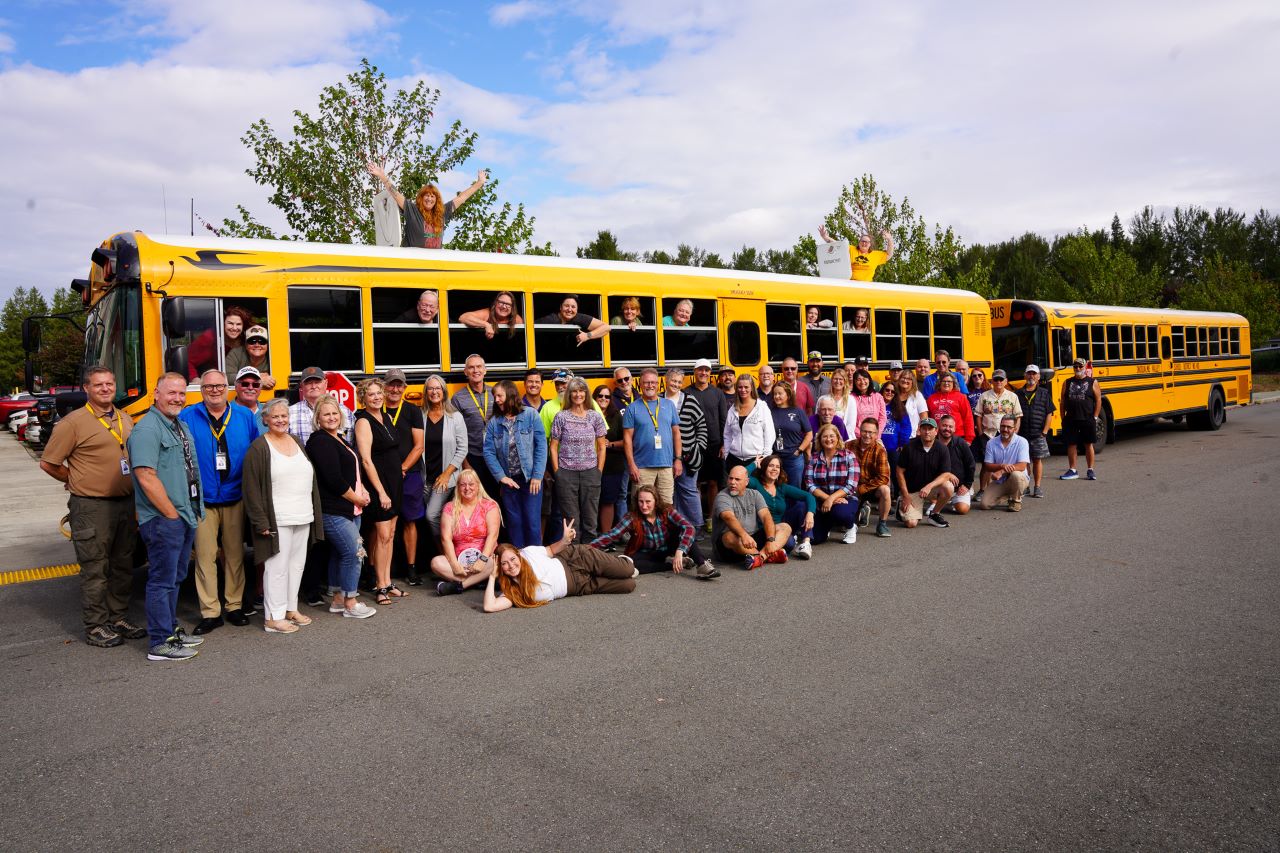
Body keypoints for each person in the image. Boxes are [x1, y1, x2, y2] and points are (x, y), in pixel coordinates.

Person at [39, 365, 143, 648]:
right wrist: (74, 479)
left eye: (109, 384)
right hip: (91, 506)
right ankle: (96, 625)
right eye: (99, 385)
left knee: (123, 564)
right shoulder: (73, 423)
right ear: (86, 388)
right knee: (95, 567)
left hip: (125, 502)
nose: (106, 389)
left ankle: (118, 616)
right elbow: (49, 462)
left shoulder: (124, 418)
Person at [128, 372, 205, 662]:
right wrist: (171, 515)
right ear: (156, 395)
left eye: (182, 393)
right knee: (162, 580)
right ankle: (160, 642)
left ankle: (170, 629)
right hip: (164, 519)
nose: (177, 398)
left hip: (183, 515)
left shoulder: (178, 425)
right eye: (171, 393)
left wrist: (190, 513)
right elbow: (145, 475)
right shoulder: (148, 429)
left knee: (174, 577)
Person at [179, 369, 259, 635]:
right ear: (201, 390)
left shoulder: (245, 416)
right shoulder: (187, 416)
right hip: (203, 499)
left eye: (219, 386)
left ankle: (234, 606)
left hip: (235, 496)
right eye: (209, 386)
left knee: (235, 554)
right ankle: (210, 612)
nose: (214, 390)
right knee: (205, 557)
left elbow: (257, 452)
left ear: (228, 388)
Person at [242, 398, 324, 634]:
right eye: (275, 416)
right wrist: (260, 521)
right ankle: (273, 617)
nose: (280, 420)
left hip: (302, 515)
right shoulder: (259, 447)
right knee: (276, 568)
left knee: (296, 565)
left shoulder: (296, 441)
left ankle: (290, 608)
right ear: (265, 419)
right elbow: (251, 489)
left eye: (284, 416)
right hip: (277, 518)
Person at [304, 394, 376, 619]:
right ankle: (351, 602)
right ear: (318, 418)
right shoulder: (320, 441)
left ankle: (336, 599)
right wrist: (356, 498)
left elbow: (351, 472)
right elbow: (333, 479)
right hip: (333, 509)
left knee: (339, 553)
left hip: (349, 508)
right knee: (355, 553)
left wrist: (361, 489)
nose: (332, 417)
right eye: (326, 414)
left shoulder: (340, 439)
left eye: (335, 413)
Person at [483, 520, 636, 612]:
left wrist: (564, 540)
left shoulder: (527, 553)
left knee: (627, 569)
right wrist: (491, 577)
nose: (511, 565)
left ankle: (620, 561)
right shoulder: (512, 592)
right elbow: (490, 606)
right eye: (504, 563)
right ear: (500, 567)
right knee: (629, 585)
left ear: (518, 555)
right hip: (578, 586)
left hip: (575, 559)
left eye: (512, 559)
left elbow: (550, 550)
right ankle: (614, 568)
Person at [590, 484, 718, 579]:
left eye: (648, 502)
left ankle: (702, 565)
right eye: (641, 502)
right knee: (629, 564)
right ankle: (672, 564)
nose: (644, 506)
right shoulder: (632, 517)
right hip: (647, 553)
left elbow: (689, 527)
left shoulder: (667, 510)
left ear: (656, 501)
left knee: (684, 534)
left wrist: (680, 551)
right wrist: (587, 548)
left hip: (668, 547)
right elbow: (611, 535)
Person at [353, 378, 405, 606]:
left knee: (391, 534)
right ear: (363, 397)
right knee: (382, 536)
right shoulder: (363, 421)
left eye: (378, 393)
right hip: (379, 486)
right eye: (371, 394)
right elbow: (365, 460)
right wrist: (381, 492)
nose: (376, 397)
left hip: (394, 483)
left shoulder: (385, 417)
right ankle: (379, 586)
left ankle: (388, 581)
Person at [483, 379, 547, 548]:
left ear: (510, 394)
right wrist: (501, 477)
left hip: (530, 479)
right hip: (509, 481)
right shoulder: (494, 422)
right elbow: (488, 452)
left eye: (499, 395)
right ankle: (518, 560)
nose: (496, 399)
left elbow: (541, 446)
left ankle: (535, 563)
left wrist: (537, 476)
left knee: (532, 521)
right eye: (494, 396)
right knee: (514, 522)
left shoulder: (530, 415)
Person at [367, 161, 487, 249]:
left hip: (433, 266)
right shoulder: (412, 210)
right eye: (427, 195)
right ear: (421, 198)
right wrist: (383, 177)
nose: (429, 199)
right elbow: (395, 194)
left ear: (436, 199)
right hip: (411, 262)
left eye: (432, 196)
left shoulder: (442, 213)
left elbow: (462, 197)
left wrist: (479, 183)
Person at [550, 377, 608, 543]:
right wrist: (557, 472)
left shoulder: (594, 417)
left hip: (591, 473)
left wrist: (598, 471)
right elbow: (553, 446)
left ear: (586, 394)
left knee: (591, 520)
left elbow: (602, 446)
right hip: (566, 474)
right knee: (571, 521)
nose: (578, 394)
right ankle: (574, 557)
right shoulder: (561, 417)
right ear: (569, 394)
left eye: (581, 391)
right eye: (574, 391)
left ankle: (590, 557)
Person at [383, 369, 426, 586]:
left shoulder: (412, 411)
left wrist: (401, 469)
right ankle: (378, 571)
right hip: (382, 476)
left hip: (409, 473)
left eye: (399, 385)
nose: (395, 389)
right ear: (384, 386)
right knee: (382, 523)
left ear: (405, 388)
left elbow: (419, 445)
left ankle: (411, 567)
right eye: (391, 384)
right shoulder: (374, 410)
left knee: (409, 520)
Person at [430, 469, 501, 596]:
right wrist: (455, 564)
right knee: (436, 563)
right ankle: (480, 581)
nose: (467, 488)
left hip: (485, 559)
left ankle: (459, 586)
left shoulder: (489, 505)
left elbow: (493, 536)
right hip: (460, 562)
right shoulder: (449, 507)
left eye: (471, 484)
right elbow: (445, 539)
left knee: (493, 562)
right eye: (463, 485)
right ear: (458, 488)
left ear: (478, 486)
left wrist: (482, 560)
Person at [622, 368, 682, 506]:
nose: (650, 385)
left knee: (666, 505)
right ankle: (640, 529)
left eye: (653, 382)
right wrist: (631, 465)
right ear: (640, 384)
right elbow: (627, 439)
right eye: (646, 382)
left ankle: (664, 529)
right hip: (642, 467)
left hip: (666, 465)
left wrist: (678, 459)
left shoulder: (669, 405)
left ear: (658, 383)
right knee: (641, 505)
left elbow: (676, 433)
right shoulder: (632, 408)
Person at [712, 466, 789, 569]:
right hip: (729, 547)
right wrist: (743, 535)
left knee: (785, 527)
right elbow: (728, 517)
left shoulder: (754, 494)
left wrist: (770, 540)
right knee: (728, 537)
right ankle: (768, 555)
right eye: (730, 478)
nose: (732, 482)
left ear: (746, 482)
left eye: (737, 479)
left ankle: (760, 557)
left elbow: (766, 516)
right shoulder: (722, 496)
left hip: (752, 539)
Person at [421, 374, 469, 539]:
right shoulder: (421, 417)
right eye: (431, 388)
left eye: (438, 388)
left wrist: (446, 474)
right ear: (426, 392)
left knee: (431, 515)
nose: (434, 392)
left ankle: (445, 550)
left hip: (446, 478)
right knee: (430, 517)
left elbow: (463, 448)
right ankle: (437, 556)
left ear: (444, 391)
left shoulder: (455, 417)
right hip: (425, 478)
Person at [664, 367, 708, 532]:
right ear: (666, 380)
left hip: (688, 456)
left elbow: (702, 426)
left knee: (689, 491)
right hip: (664, 455)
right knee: (669, 493)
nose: (675, 384)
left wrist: (699, 448)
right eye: (673, 380)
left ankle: (696, 527)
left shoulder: (690, 400)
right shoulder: (659, 399)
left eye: (679, 382)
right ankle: (678, 527)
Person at [746, 455, 815, 559]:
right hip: (761, 530)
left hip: (780, 529)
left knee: (802, 506)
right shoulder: (756, 484)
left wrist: (810, 513)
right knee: (789, 544)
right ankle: (769, 553)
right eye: (771, 466)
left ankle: (806, 543)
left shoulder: (782, 487)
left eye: (777, 467)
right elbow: (741, 476)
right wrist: (754, 464)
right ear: (763, 468)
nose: (774, 469)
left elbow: (808, 496)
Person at [450, 353, 500, 499]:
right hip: (472, 456)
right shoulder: (458, 398)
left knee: (497, 496)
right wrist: (465, 463)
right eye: (471, 367)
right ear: (466, 372)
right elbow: (455, 435)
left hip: (495, 455)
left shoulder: (496, 393)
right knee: (475, 497)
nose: (475, 370)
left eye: (479, 367)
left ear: (485, 370)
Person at [894, 418, 956, 530]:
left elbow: (946, 474)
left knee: (948, 486)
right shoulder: (909, 447)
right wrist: (906, 495)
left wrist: (929, 486)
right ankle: (901, 501)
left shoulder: (942, 448)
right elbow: (899, 471)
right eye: (924, 428)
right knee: (911, 523)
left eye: (930, 429)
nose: (927, 432)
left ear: (936, 431)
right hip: (912, 490)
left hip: (931, 489)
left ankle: (934, 514)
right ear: (919, 430)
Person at [687, 358, 728, 527]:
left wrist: (724, 443)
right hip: (693, 444)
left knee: (713, 482)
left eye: (707, 370)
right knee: (694, 483)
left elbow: (723, 419)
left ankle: (710, 518)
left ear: (710, 374)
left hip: (714, 444)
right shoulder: (686, 392)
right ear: (695, 372)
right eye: (700, 370)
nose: (703, 373)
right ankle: (695, 519)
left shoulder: (717, 393)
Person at [804, 424, 859, 545]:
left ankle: (851, 527)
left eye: (831, 436)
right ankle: (827, 525)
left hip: (846, 499)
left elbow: (851, 485)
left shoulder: (849, 456)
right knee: (816, 539)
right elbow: (809, 483)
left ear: (838, 438)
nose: (828, 439)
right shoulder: (814, 458)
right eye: (825, 436)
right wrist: (828, 499)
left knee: (840, 513)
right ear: (819, 439)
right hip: (821, 501)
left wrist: (832, 499)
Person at [1060, 358, 1103, 481]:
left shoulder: (1092, 382)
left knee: (1088, 444)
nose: (1077, 369)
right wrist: (1063, 417)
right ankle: (1073, 470)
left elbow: (1098, 399)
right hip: (1071, 419)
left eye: (1080, 366)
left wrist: (1095, 416)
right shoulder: (1067, 382)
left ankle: (1090, 470)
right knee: (1071, 444)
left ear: (1084, 367)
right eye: (1075, 367)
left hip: (1087, 418)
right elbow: (1062, 401)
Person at [1016, 364, 1056, 497]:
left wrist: (1045, 431)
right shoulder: (1018, 393)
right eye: (1029, 373)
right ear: (1025, 375)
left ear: (1038, 376)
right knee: (1024, 461)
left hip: (1038, 433)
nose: (1031, 376)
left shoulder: (1044, 393)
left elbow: (1049, 413)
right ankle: (1025, 485)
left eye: (1034, 374)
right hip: (1022, 433)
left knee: (1037, 460)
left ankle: (1037, 487)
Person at [594, 384, 629, 536]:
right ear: (594, 398)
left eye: (607, 396)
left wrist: (611, 444)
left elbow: (626, 441)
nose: (603, 399)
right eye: (600, 396)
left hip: (612, 464)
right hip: (590, 464)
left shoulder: (616, 416)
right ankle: (591, 534)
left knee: (608, 500)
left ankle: (606, 536)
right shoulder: (588, 414)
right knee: (591, 501)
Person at [723, 374, 775, 472]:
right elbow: (727, 434)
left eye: (746, 387)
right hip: (734, 459)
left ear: (752, 388)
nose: (743, 390)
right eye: (740, 387)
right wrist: (727, 454)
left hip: (755, 460)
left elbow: (770, 433)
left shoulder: (761, 407)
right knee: (735, 487)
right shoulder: (733, 409)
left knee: (754, 487)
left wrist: (765, 456)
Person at [289, 366, 353, 445]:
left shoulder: (345, 411)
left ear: (326, 383)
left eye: (317, 382)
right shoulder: (290, 413)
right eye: (309, 383)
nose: (313, 386)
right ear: (302, 386)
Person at [979, 415, 1031, 511]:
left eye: (1009, 427)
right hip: (1000, 481)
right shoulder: (991, 443)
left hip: (1018, 479)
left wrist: (1001, 471)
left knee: (1016, 475)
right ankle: (1008, 495)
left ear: (1015, 428)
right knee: (984, 505)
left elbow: (1022, 466)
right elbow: (987, 465)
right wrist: (1001, 466)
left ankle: (1016, 501)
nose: (1005, 429)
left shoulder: (1022, 442)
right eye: (1003, 426)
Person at [852, 418, 893, 538]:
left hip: (872, 487)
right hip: (852, 487)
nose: (867, 435)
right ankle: (861, 512)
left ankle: (882, 524)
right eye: (864, 431)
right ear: (860, 431)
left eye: (871, 432)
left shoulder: (880, 450)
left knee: (885, 489)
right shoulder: (849, 445)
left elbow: (883, 477)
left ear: (876, 434)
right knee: (845, 525)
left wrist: (862, 488)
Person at [188, 306, 253, 380]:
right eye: (230, 323)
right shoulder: (210, 338)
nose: (234, 328)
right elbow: (187, 361)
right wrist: (195, 379)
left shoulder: (247, 340)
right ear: (223, 323)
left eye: (238, 324)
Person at [768, 382, 811, 488]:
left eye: (780, 393)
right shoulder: (769, 412)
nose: (777, 396)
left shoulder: (798, 412)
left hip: (794, 458)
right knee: (776, 488)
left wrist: (799, 450)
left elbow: (809, 434)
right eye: (775, 394)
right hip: (776, 458)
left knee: (794, 489)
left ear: (788, 394)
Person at [819, 224, 895, 281]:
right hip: (850, 284)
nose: (864, 243)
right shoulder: (851, 249)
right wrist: (825, 237)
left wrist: (890, 240)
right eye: (863, 241)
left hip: (866, 287)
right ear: (859, 242)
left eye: (867, 242)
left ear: (870, 244)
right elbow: (837, 245)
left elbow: (889, 254)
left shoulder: (875, 255)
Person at [974, 370, 1023, 452]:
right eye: (996, 379)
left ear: (1006, 381)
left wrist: (1015, 433)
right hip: (987, 434)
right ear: (992, 381)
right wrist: (980, 433)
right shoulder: (984, 396)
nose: (998, 382)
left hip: (1007, 433)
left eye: (1001, 379)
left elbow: (1018, 416)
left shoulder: (1013, 396)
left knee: (1005, 460)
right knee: (987, 462)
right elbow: (978, 415)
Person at [936, 413, 976, 516]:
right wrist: (948, 475)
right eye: (944, 425)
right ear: (939, 426)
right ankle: (937, 502)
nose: (947, 429)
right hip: (937, 484)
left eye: (950, 426)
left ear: (954, 429)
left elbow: (971, 465)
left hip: (959, 486)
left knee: (962, 509)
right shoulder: (932, 443)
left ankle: (949, 501)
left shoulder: (961, 443)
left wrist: (967, 485)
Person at [537, 294, 610, 346]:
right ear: (560, 307)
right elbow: (530, 328)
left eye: (573, 307)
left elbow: (606, 327)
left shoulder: (579, 317)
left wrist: (588, 335)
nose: (569, 309)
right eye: (566, 306)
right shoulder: (550, 319)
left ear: (577, 309)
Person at [926, 373, 976, 442]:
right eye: (944, 381)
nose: (946, 383)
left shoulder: (961, 397)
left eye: (949, 381)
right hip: (936, 437)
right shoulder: (931, 399)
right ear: (939, 383)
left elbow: (968, 418)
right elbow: (927, 419)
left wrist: (969, 438)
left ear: (954, 384)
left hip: (957, 437)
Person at [848, 369, 887, 437]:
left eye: (864, 378)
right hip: (857, 437)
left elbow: (882, 418)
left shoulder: (878, 397)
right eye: (858, 379)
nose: (862, 382)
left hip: (875, 437)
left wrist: (876, 434)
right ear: (855, 382)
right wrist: (862, 435)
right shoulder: (851, 397)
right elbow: (850, 420)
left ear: (869, 379)